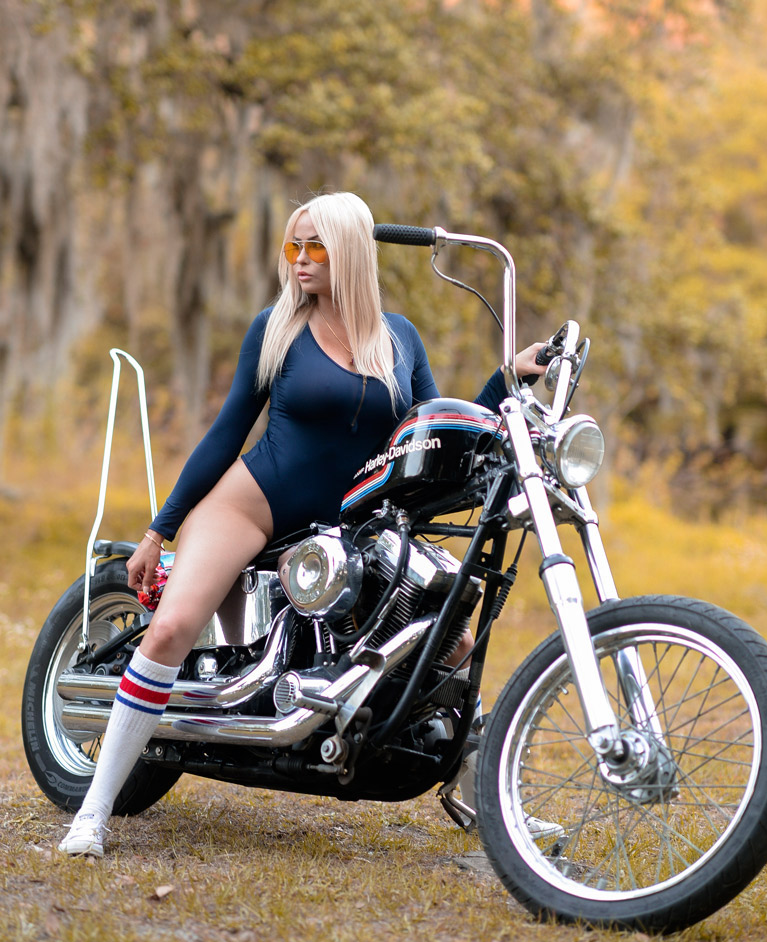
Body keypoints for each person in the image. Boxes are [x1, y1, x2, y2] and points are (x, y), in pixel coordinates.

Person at [57, 191, 550, 858]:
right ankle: (93, 811)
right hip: (252, 504)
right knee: (171, 629)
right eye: (293, 245)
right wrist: (159, 530)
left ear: (349, 249)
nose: (300, 258)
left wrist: (506, 380)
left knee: (451, 646)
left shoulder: (399, 338)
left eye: (315, 244)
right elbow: (228, 432)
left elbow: (432, 431)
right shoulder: (277, 328)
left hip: (346, 529)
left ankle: (495, 807)